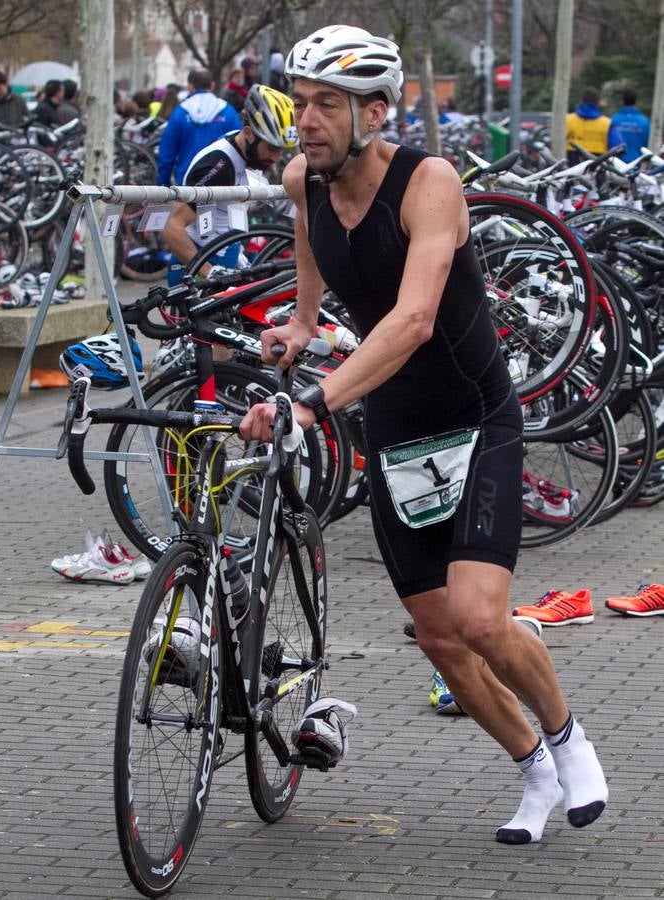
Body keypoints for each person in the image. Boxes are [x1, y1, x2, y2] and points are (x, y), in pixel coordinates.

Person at [240, 24, 608, 846]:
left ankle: (566, 736)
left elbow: (410, 320)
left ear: (376, 111)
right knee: (439, 637)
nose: (305, 120)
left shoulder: (427, 182)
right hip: (397, 429)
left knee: (480, 618)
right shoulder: (302, 180)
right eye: (300, 103)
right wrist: (299, 326)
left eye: (327, 105)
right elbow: (312, 263)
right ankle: (533, 774)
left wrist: (311, 404)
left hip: (476, 420)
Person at [162, 84, 296, 285]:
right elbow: (171, 224)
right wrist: (208, 271)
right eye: (271, 148)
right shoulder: (219, 166)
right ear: (249, 133)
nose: (276, 157)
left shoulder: (246, 151)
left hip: (226, 254)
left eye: (281, 150)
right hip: (200, 266)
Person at [156, 68, 242, 186]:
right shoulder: (228, 111)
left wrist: (163, 184)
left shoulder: (180, 112)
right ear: (212, 86)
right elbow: (241, 147)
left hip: (187, 184)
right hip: (223, 185)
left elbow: (166, 154)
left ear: (190, 87)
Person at [566, 87, 623, 164]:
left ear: (582, 101)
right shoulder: (607, 123)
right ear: (598, 103)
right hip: (597, 168)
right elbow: (618, 148)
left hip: (570, 168)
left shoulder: (568, 120)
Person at [611, 89, 651, 164]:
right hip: (637, 166)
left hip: (616, 165)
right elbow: (648, 145)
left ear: (622, 101)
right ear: (636, 102)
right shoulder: (645, 122)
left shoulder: (613, 120)